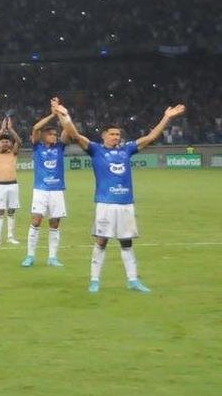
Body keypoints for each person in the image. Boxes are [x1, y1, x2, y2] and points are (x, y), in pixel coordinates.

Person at [56, 102, 185, 293]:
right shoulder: (95, 149)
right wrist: (65, 115)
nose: (116, 137)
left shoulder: (127, 149)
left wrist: (167, 117)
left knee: (127, 242)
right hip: (106, 203)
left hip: (126, 204)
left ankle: (132, 280)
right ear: (104, 136)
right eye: (112, 134)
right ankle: (94, 280)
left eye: (118, 134)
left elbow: (151, 137)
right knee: (102, 241)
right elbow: (74, 134)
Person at [24, 98, 70, 268]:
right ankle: (30, 256)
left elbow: (68, 130)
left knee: (55, 223)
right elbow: (35, 128)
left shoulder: (60, 147)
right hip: (41, 190)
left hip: (57, 190)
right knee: (36, 221)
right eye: (51, 134)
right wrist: (51, 114)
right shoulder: (38, 147)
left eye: (55, 135)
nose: (55, 137)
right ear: (44, 136)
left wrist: (60, 113)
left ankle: (52, 257)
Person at [0, 117, 22, 246]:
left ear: (10, 143)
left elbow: (18, 141)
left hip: (13, 185)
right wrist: (1, 131)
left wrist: (11, 130)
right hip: (0, 186)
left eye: (7, 141)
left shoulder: (13, 153)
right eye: (2, 142)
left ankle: (10, 236)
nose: (4, 143)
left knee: (12, 211)